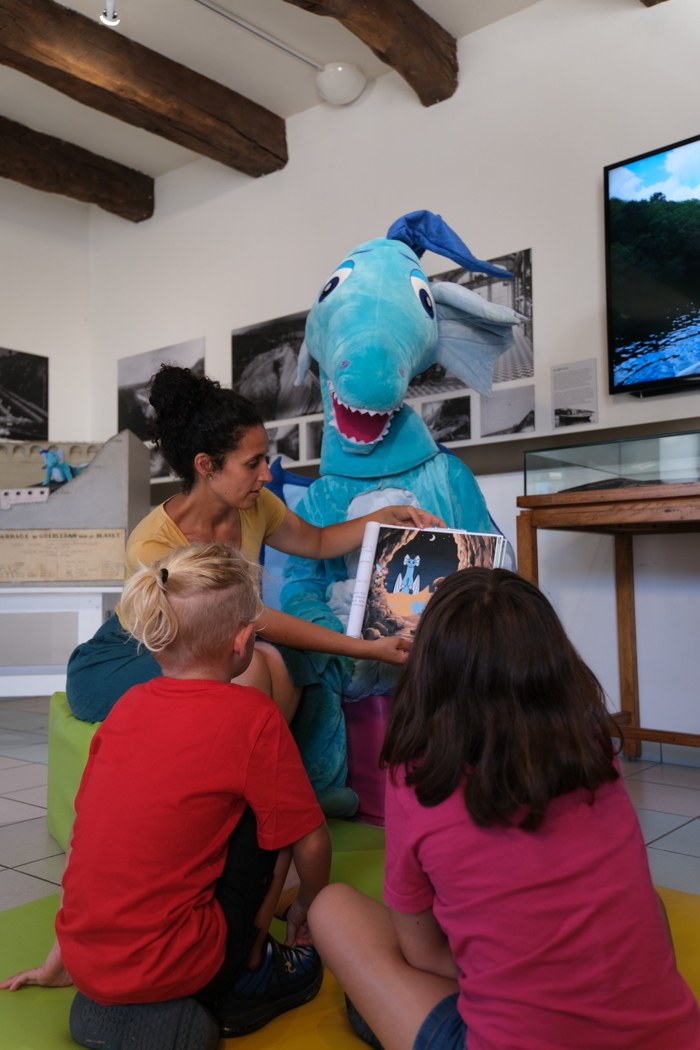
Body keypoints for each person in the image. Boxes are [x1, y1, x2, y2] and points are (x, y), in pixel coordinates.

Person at [308, 568, 700, 1050]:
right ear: (554, 663)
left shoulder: (415, 776)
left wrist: (501, 967)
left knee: (332, 909)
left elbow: (422, 953)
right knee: (652, 901)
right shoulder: (593, 743)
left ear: (429, 670)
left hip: (501, 1027)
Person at [66, 365, 444, 814]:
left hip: (214, 639)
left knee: (284, 661)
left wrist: (385, 517)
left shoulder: (254, 505)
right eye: (253, 463)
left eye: (265, 459)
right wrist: (364, 648)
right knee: (252, 667)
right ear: (206, 466)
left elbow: (317, 541)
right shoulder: (154, 545)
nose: (267, 474)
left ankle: (273, 790)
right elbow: (250, 619)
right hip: (132, 653)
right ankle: (251, 797)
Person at [2, 542, 332, 1050]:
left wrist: (63, 953)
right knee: (275, 814)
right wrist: (308, 901)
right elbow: (311, 842)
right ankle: (253, 966)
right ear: (244, 640)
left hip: (86, 958)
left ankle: (141, 990)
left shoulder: (126, 706)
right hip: (185, 963)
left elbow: (88, 836)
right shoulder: (254, 716)